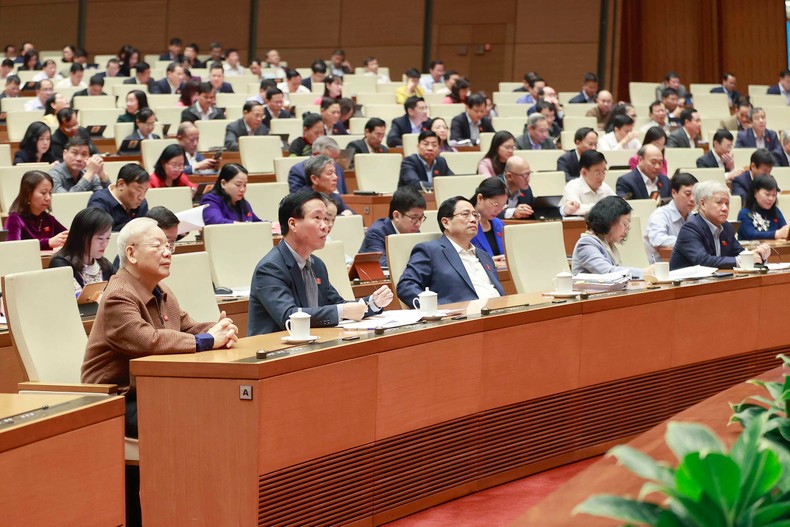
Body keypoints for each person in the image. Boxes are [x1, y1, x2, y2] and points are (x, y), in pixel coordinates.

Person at [82, 216, 239, 439]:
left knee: (219, 402)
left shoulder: (160, 289)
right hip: (115, 400)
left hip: (152, 390)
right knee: (193, 415)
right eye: (158, 246)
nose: (167, 253)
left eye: (169, 246)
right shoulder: (118, 295)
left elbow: (188, 326)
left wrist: (221, 328)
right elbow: (148, 341)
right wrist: (209, 339)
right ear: (132, 254)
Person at [248, 190, 392, 335]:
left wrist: (373, 302)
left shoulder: (317, 265)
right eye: (317, 218)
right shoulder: (270, 268)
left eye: (326, 219)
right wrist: (343, 311)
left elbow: (337, 305)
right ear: (293, 224)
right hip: (273, 351)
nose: (325, 226)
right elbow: (289, 316)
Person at [397, 196, 504, 306]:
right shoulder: (430, 251)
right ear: (446, 222)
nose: (473, 219)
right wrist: (434, 309)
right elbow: (406, 286)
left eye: (475, 215)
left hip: (499, 312)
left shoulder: (484, 256)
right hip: (463, 317)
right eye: (465, 214)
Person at [670, 180, 770, 270]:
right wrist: (741, 261)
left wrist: (758, 255)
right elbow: (703, 261)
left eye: (727, 203)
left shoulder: (726, 227)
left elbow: (739, 252)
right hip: (684, 286)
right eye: (719, 202)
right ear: (703, 204)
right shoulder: (691, 228)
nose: (725, 208)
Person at [571, 196, 649, 278]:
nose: (627, 230)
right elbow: (608, 272)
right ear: (610, 221)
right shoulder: (586, 244)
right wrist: (644, 272)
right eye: (625, 224)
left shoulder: (609, 244)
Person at [48, 207, 115, 295]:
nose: (104, 243)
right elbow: (75, 298)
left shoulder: (105, 265)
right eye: (100, 238)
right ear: (82, 237)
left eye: (108, 238)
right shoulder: (60, 264)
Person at [359, 186, 427, 268]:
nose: (418, 224)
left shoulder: (415, 232)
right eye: (414, 218)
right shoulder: (376, 233)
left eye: (420, 218)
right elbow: (383, 265)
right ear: (396, 216)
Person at [5, 170, 67, 249]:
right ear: (28, 194)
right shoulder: (14, 219)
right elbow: (13, 248)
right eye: (43, 193)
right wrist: (47, 243)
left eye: (50, 193)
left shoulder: (48, 219)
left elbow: (70, 237)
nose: (48, 198)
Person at [644, 172, 698, 262]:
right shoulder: (660, 215)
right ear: (674, 193)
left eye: (695, 194)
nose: (692, 199)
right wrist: (689, 241)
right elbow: (657, 240)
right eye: (688, 194)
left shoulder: (694, 217)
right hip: (659, 270)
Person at [87, 163, 150, 231]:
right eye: (138, 190)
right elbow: (97, 234)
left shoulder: (142, 204)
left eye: (145, 191)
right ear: (121, 184)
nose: (141, 197)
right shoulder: (99, 201)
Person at [559, 150, 615, 217]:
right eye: (598, 173)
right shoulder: (572, 186)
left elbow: (619, 205)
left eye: (604, 172)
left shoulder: (604, 186)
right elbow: (574, 210)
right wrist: (605, 208)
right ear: (584, 172)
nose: (602, 176)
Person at [737, 174, 788, 240]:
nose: (771, 198)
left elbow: (785, 231)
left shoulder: (775, 211)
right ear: (755, 192)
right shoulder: (744, 213)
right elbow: (750, 235)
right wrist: (776, 234)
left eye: (774, 195)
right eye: (767, 194)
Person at [469, 178, 508, 264]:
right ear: (480, 198)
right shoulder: (465, 225)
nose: (499, 210)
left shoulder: (499, 224)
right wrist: (488, 261)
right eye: (495, 204)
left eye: (503, 206)